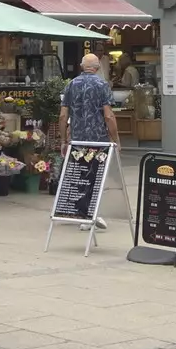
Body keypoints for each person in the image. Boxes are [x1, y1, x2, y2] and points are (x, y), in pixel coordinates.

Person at [58, 54, 118, 228]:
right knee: (95, 177)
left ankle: (78, 211)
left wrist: (63, 140)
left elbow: (63, 116)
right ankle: (90, 215)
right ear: (98, 67)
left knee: (80, 175)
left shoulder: (71, 85)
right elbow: (108, 115)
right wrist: (116, 139)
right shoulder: (102, 85)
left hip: (77, 140)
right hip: (98, 140)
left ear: (81, 66)